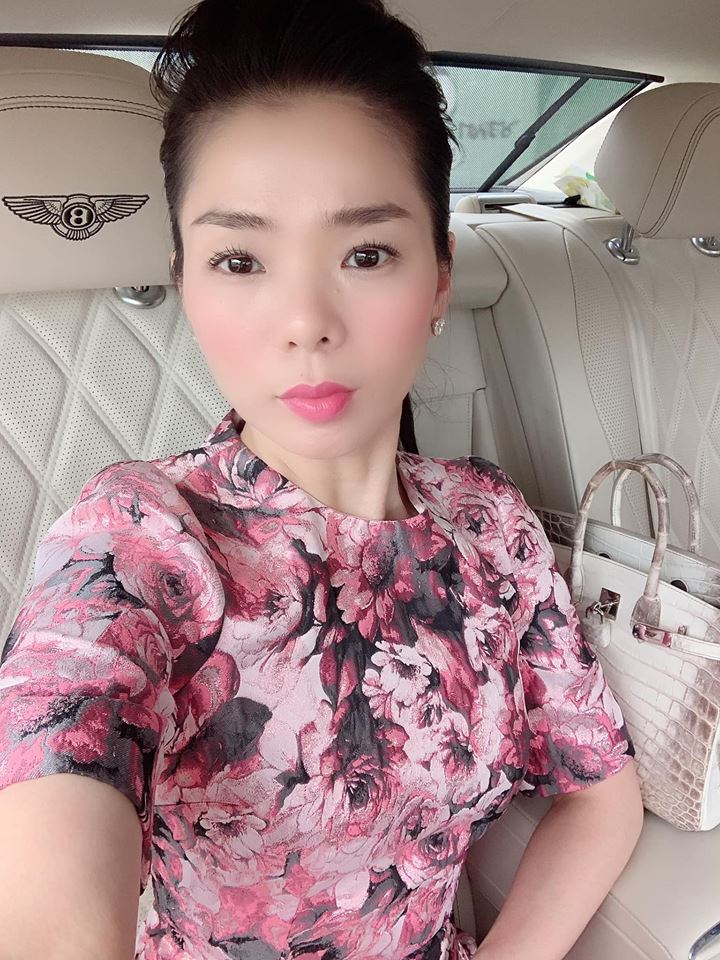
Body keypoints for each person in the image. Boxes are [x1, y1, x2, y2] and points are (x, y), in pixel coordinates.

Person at [0, 1, 644, 958]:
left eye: (366, 253)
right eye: (240, 259)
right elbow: (49, 849)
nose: (306, 320)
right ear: (187, 283)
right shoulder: (138, 539)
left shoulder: (490, 521)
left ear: (439, 277)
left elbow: (601, 796)